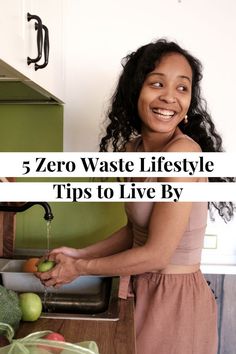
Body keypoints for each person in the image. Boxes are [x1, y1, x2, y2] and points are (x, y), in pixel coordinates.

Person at [36, 39, 234, 354]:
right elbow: (136, 232)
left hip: (174, 301)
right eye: (157, 84)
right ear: (135, 91)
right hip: (141, 289)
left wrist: (81, 267)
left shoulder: (183, 153)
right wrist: (78, 253)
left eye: (182, 88)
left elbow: (157, 254)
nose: (169, 97)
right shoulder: (133, 151)